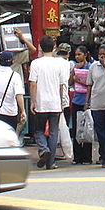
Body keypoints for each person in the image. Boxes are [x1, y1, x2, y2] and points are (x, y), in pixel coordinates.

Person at [29, 36, 69, 170]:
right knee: (53, 132)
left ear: (40, 47)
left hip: (41, 103)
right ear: (54, 48)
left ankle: (44, 149)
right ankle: (51, 163)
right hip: (55, 103)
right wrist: (62, 102)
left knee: (38, 130)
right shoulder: (60, 63)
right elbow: (62, 85)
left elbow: (33, 84)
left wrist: (32, 101)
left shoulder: (36, 63)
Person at [69, 45, 93, 164]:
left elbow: (90, 85)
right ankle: (77, 156)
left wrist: (87, 102)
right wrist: (73, 71)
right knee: (76, 129)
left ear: (85, 55)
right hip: (76, 100)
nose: (77, 57)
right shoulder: (75, 67)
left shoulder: (90, 67)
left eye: (79, 54)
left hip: (86, 101)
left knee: (87, 128)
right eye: (76, 55)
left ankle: (87, 156)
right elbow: (70, 82)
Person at [55, 43, 75, 163]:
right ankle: (66, 151)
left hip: (52, 100)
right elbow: (66, 82)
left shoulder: (52, 62)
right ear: (68, 53)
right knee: (64, 126)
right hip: (63, 99)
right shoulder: (68, 64)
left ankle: (57, 150)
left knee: (54, 128)